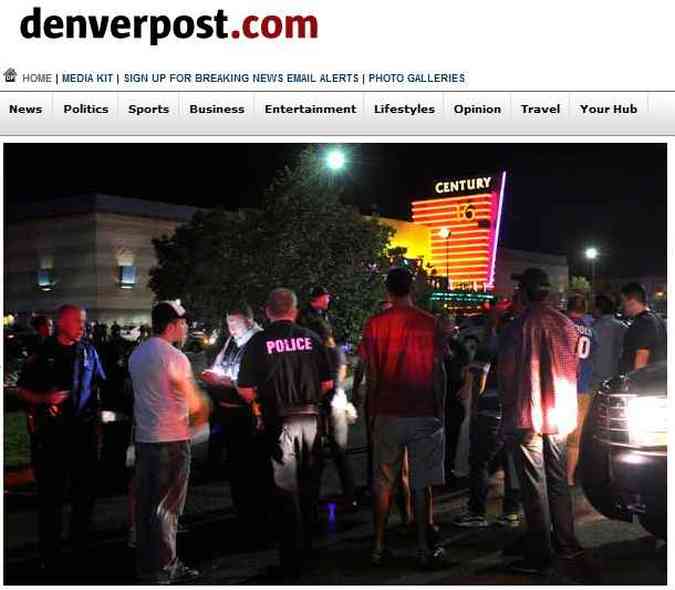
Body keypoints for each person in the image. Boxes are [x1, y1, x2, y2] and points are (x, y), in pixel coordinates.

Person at [237, 288, 333, 580]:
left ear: (268, 311)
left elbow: (244, 388)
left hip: (279, 421)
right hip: (310, 419)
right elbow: (328, 383)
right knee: (309, 483)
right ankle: (310, 548)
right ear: (293, 310)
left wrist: (257, 403)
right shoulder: (312, 339)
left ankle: (291, 559)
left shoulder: (258, 342)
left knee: (285, 490)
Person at [357, 267, 447, 570]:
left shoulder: (375, 324)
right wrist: (440, 408)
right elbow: (438, 371)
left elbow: (370, 373)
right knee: (422, 483)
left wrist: (370, 412)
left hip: (387, 411)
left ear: (388, 290)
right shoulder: (430, 323)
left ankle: (379, 546)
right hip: (423, 411)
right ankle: (423, 547)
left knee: (383, 481)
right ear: (412, 289)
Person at [499, 269, 583, 575]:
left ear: (524, 291)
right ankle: (566, 542)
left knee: (534, 486)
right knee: (558, 480)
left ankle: (539, 553)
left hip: (528, 414)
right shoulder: (568, 324)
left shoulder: (516, 327)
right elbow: (574, 367)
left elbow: (506, 375)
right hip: (560, 413)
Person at [16, 304, 106, 574]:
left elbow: (101, 383)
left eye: (84, 322)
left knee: (84, 497)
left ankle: (80, 551)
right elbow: (22, 390)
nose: (83, 326)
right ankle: (50, 557)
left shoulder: (88, 351)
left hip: (84, 436)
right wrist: (45, 399)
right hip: (52, 438)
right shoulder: (42, 353)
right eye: (78, 321)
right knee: (51, 499)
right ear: (62, 322)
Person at [128, 300, 210, 583]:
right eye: (183, 323)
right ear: (172, 325)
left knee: (147, 506)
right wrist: (202, 412)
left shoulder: (137, 355)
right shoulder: (175, 358)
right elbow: (193, 401)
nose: (185, 327)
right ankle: (166, 567)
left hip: (146, 439)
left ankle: (146, 566)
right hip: (172, 439)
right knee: (168, 508)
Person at [199, 303, 269, 531]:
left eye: (235, 323)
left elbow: (258, 383)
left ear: (248, 321)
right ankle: (245, 514)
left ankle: (256, 517)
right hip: (229, 411)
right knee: (237, 468)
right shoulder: (232, 341)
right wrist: (214, 376)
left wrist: (229, 383)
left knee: (251, 468)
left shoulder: (258, 341)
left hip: (248, 414)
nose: (231, 328)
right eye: (228, 323)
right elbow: (220, 363)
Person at [453, 303, 522, 528]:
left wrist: (474, 408)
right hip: (514, 411)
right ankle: (511, 511)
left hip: (490, 410)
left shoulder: (492, 343)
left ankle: (476, 512)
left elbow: (479, 377)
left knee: (479, 461)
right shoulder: (522, 343)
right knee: (511, 461)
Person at [313, 320, 358, 509]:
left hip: (327, 403)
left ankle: (315, 495)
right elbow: (340, 376)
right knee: (339, 452)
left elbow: (328, 382)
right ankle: (350, 494)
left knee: (322, 453)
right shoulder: (337, 352)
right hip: (337, 401)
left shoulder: (321, 352)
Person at [438, 312, 470, 486]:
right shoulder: (433, 345)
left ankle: (449, 470)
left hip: (454, 395)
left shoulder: (458, 346)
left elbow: (467, 368)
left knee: (452, 435)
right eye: (445, 323)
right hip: (438, 395)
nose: (448, 327)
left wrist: (466, 387)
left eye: (450, 323)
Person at [619, 282, 667, 373]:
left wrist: (635, 384)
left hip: (645, 383)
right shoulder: (658, 319)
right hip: (658, 380)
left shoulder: (642, 323)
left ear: (631, 301)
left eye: (623, 301)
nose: (622, 305)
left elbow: (641, 357)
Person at [590, 294, 627, 387]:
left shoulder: (592, 328)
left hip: (595, 379)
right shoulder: (623, 327)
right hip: (617, 379)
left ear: (598, 309)